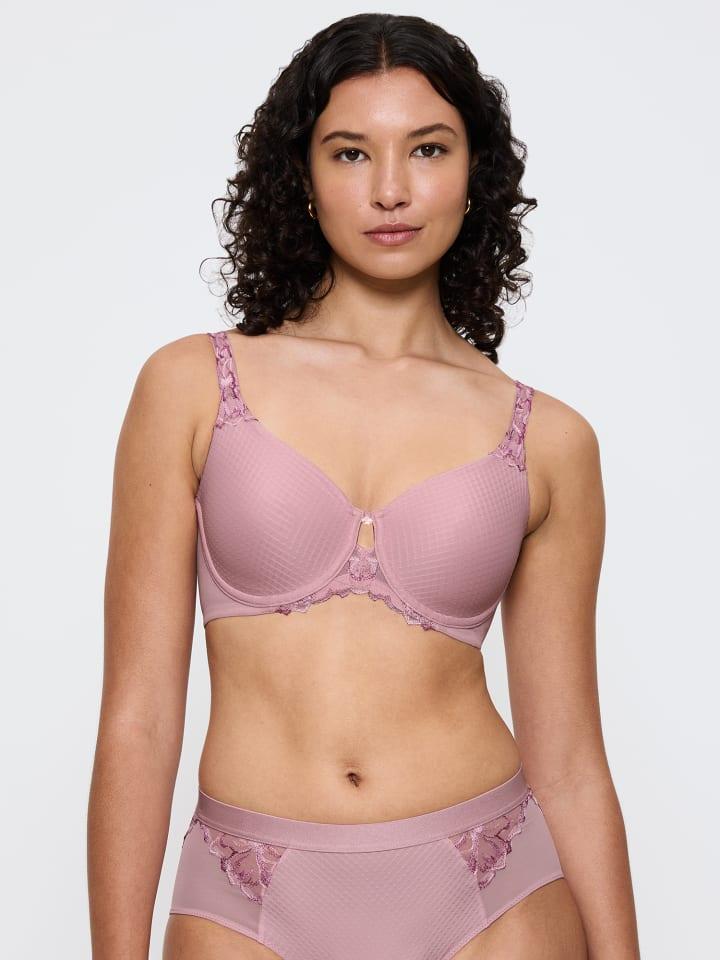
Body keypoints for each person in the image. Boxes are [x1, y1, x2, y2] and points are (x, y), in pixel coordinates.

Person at [87, 13, 640, 960]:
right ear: (301, 177)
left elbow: (572, 764)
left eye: (428, 148)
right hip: (249, 901)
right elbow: (138, 721)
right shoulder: (191, 387)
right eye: (350, 153)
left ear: (475, 173)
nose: (391, 189)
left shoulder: (550, 440)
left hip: (495, 900)